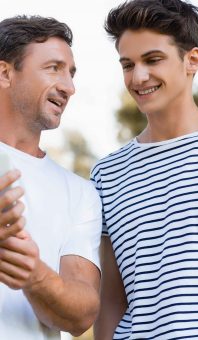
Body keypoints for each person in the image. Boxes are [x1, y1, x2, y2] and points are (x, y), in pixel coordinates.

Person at [91, 0, 198, 339]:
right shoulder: (106, 174)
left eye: (153, 60)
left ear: (192, 60)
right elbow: (109, 303)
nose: (138, 77)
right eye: (127, 64)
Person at [0, 15, 102, 340]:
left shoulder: (80, 193)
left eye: (71, 73)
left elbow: (82, 314)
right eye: (54, 68)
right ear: (5, 73)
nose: (69, 87)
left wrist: (33, 272)